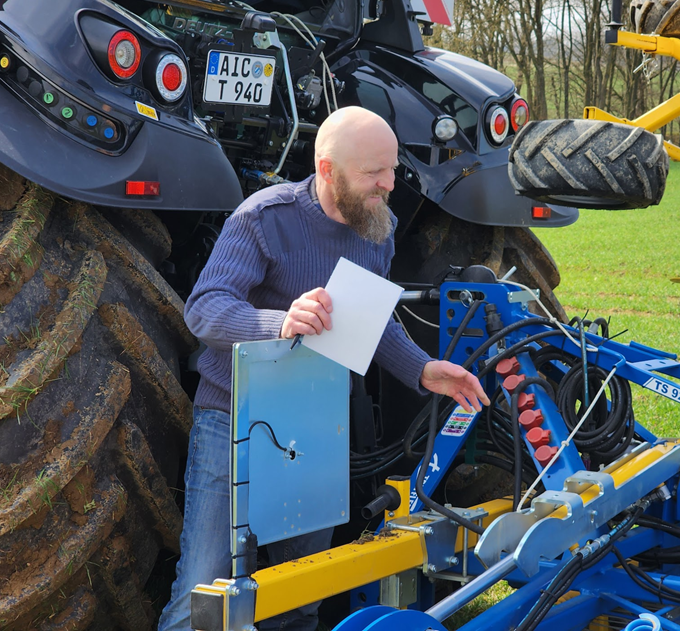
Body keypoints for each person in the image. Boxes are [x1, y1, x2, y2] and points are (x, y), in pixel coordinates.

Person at [158, 106, 489, 631]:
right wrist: (278, 321)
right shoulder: (264, 219)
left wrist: (423, 370)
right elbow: (204, 310)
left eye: (392, 168)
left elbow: (371, 320)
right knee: (202, 594)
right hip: (234, 419)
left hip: (315, 424)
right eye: (373, 173)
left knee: (301, 590)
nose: (388, 184)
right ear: (328, 171)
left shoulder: (378, 226)